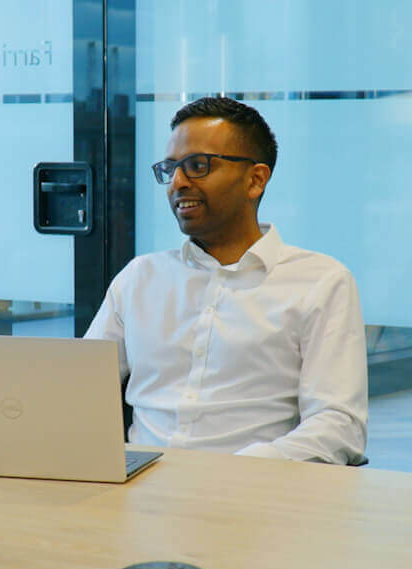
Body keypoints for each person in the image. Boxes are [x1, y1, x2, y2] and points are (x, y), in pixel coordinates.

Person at [83, 97, 367, 463]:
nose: (178, 183)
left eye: (197, 166)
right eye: (171, 169)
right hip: (137, 493)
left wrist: (238, 473)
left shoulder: (321, 282)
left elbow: (338, 425)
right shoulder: (140, 278)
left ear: (255, 179)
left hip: (252, 497)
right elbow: (79, 389)